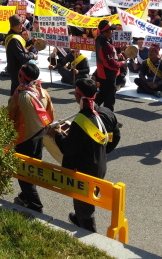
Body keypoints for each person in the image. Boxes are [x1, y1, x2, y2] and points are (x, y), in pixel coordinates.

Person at [47, 78, 120, 232]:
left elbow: (68, 148)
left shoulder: (80, 121)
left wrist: (57, 135)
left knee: (84, 206)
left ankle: (89, 234)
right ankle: (79, 219)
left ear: (79, 96)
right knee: (87, 201)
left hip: (84, 170)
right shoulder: (107, 113)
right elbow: (115, 137)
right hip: (100, 164)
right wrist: (101, 150)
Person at [7, 63, 54, 213]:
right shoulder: (43, 92)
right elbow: (50, 115)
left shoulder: (19, 96)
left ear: (21, 76)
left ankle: (35, 206)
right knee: (32, 170)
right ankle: (24, 196)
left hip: (23, 139)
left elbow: (8, 117)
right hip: (40, 136)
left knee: (23, 173)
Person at [94, 20, 125, 111]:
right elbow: (111, 64)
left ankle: (89, 109)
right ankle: (108, 116)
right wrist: (122, 63)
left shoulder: (100, 39)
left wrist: (118, 53)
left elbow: (109, 56)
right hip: (108, 74)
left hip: (102, 72)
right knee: (110, 99)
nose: (112, 31)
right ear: (105, 32)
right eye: (111, 30)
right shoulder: (105, 45)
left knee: (102, 94)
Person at [5, 15, 38, 95]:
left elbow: (23, 45)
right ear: (14, 25)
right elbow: (22, 56)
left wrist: (31, 42)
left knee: (15, 92)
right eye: (20, 24)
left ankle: (12, 103)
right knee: (20, 93)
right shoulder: (13, 39)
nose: (22, 26)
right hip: (16, 69)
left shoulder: (13, 35)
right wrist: (33, 56)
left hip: (14, 67)